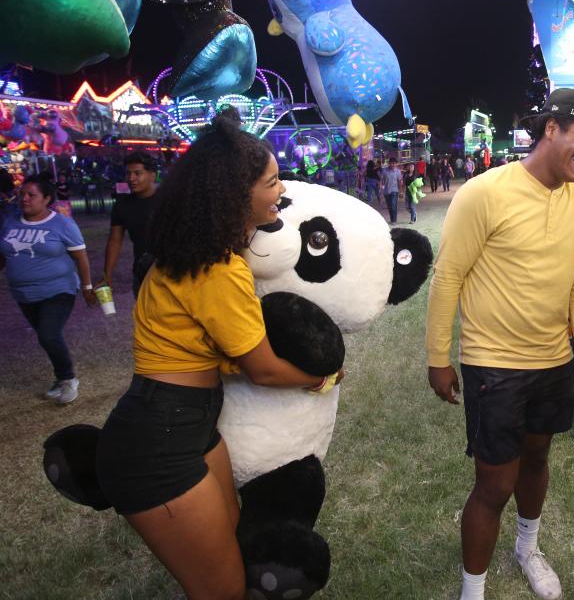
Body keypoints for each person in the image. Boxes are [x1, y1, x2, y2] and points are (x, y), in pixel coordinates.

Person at [94, 116, 334, 600]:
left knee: (236, 555)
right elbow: (261, 368)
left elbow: (205, 352)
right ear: (234, 194)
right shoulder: (221, 269)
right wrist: (322, 376)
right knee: (222, 591)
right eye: (271, 182)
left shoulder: (188, 255)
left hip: (188, 423)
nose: (281, 190)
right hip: (157, 441)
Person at [426, 89, 574, 600]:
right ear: (550, 129)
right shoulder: (485, 192)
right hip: (493, 365)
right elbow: (448, 278)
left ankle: (527, 548)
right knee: (494, 485)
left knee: (537, 460)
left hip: (553, 361)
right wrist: (437, 358)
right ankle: (473, 590)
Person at [0, 175, 97, 404]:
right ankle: (59, 377)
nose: (24, 199)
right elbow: (4, 254)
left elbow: (80, 257)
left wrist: (86, 286)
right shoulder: (10, 221)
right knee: (46, 338)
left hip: (59, 289)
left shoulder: (62, 224)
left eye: (31, 195)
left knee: (48, 334)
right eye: (22, 193)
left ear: (46, 198)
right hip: (23, 293)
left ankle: (68, 379)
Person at [100, 152, 160, 297]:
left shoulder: (169, 199)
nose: (131, 178)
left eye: (137, 173)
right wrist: (107, 274)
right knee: (144, 318)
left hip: (172, 272)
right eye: (128, 174)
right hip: (142, 272)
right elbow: (115, 240)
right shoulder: (122, 204)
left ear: (152, 175)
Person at [381, 157, 402, 224]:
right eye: (391, 163)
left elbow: (399, 181)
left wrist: (401, 191)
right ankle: (392, 219)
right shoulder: (384, 171)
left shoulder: (398, 171)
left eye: (394, 163)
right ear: (389, 163)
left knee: (393, 205)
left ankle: (394, 220)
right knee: (389, 206)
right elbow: (381, 180)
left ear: (396, 164)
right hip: (386, 191)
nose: (393, 164)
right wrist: (381, 188)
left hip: (394, 191)